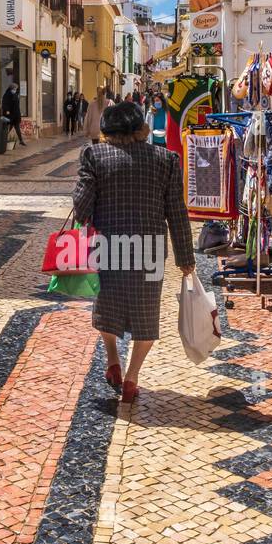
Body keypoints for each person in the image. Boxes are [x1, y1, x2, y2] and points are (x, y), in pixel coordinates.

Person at [73, 101, 196, 404]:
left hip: (109, 247)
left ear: (106, 129)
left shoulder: (94, 156)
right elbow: (176, 213)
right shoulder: (165, 159)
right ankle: (131, 378)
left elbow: (81, 209)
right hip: (149, 250)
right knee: (146, 316)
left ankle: (112, 360)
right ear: (141, 128)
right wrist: (185, 258)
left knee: (107, 309)